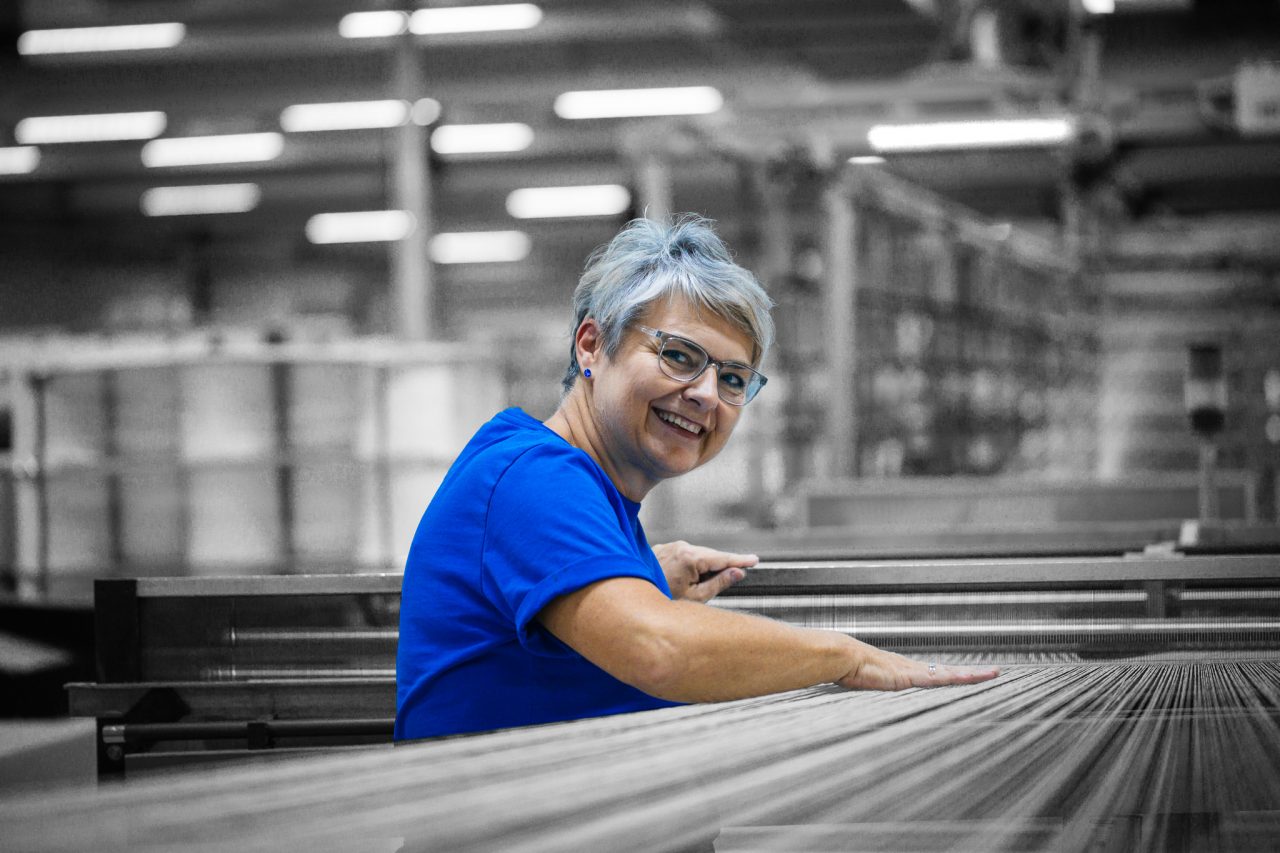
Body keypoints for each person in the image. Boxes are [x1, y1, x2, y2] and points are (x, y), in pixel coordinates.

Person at [395, 215, 998, 742]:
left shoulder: (586, 492)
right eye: (679, 356)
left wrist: (638, 579)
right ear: (591, 345)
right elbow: (657, 649)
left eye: (735, 379)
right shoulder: (532, 477)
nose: (707, 394)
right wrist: (841, 655)